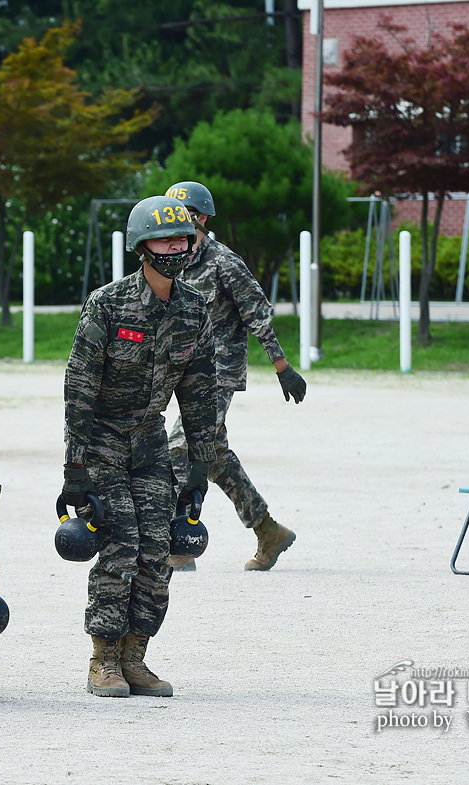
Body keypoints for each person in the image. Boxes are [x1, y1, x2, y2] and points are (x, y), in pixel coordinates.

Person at [63, 195, 216, 698]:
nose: (176, 247)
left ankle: (136, 656)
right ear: (141, 247)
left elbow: (199, 394)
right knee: (122, 544)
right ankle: (102, 658)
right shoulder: (108, 304)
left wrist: (200, 466)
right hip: (102, 441)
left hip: (150, 441)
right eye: (164, 239)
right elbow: (79, 387)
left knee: (157, 548)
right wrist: (75, 466)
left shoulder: (195, 309)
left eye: (183, 238)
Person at [163, 181, 307, 572]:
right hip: (182, 370)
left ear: (203, 218)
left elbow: (257, 315)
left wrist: (283, 367)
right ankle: (268, 530)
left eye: (185, 216)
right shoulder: (170, 260)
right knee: (217, 459)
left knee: (179, 446)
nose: (176, 223)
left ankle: (177, 545)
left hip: (219, 372)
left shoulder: (223, 261)